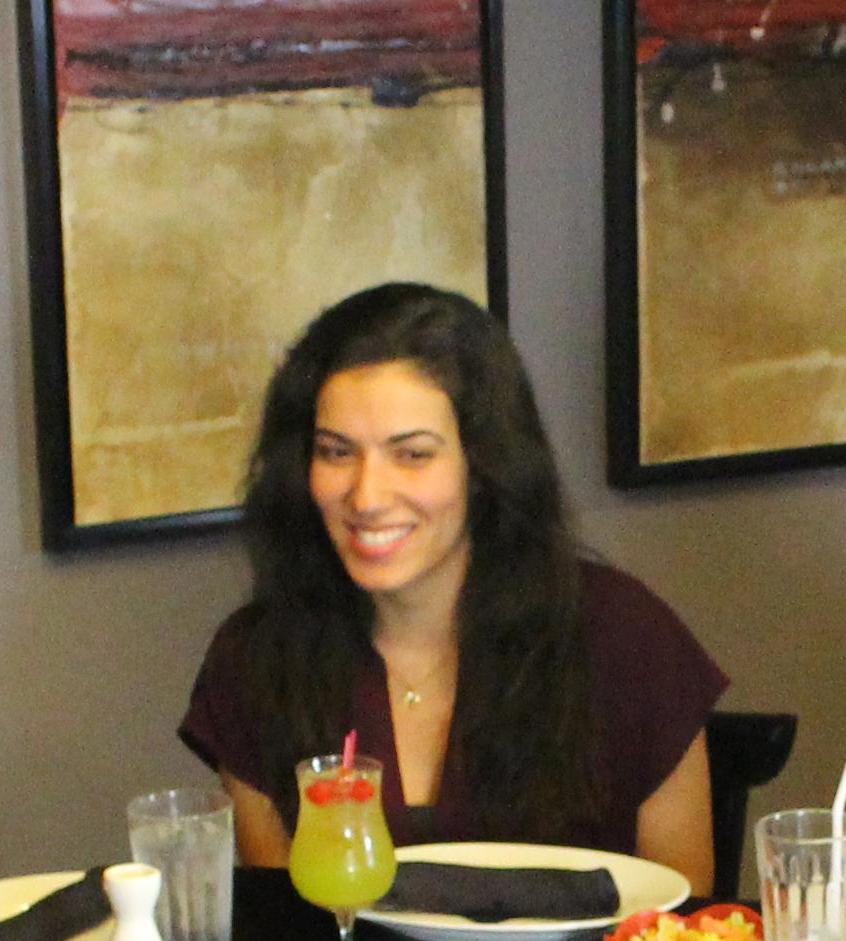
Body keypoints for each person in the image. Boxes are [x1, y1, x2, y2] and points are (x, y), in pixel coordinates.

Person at [180, 285, 723, 890]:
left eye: (411, 454)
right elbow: (296, 933)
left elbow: (685, 928)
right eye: (336, 452)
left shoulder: (628, 639)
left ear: (485, 465)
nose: (367, 496)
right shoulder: (255, 662)